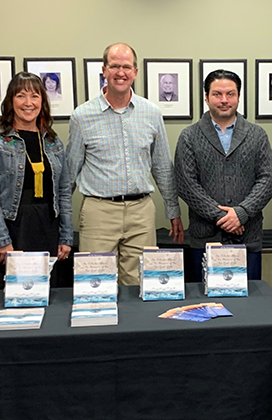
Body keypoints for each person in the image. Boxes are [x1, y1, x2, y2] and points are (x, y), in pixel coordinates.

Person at [67, 43, 184, 287]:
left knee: (140, 283)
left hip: (141, 213)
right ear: (104, 70)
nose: (121, 72)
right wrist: (62, 221)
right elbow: (70, 172)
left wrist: (173, 210)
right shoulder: (82, 116)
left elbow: (162, 166)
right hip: (99, 211)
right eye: (115, 66)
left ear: (135, 72)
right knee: (95, 282)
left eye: (126, 67)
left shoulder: (151, 113)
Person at [175, 70, 272, 281]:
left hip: (247, 237)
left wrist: (241, 213)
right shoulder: (189, 136)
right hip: (205, 238)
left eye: (230, 94)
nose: (224, 100)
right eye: (217, 94)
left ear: (239, 96)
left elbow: (267, 181)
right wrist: (222, 216)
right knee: (204, 305)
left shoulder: (257, 135)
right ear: (206, 97)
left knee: (248, 306)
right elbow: (186, 184)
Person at [0, 72, 73, 288]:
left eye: (35, 96)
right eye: (21, 96)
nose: (28, 103)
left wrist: (66, 236)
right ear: (11, 101)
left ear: (43, 102)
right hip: (11, 229)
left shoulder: (52, 141)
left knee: (48, 295)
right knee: (12, 296)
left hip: (47, 229)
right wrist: (2, 240)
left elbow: (64, 191)